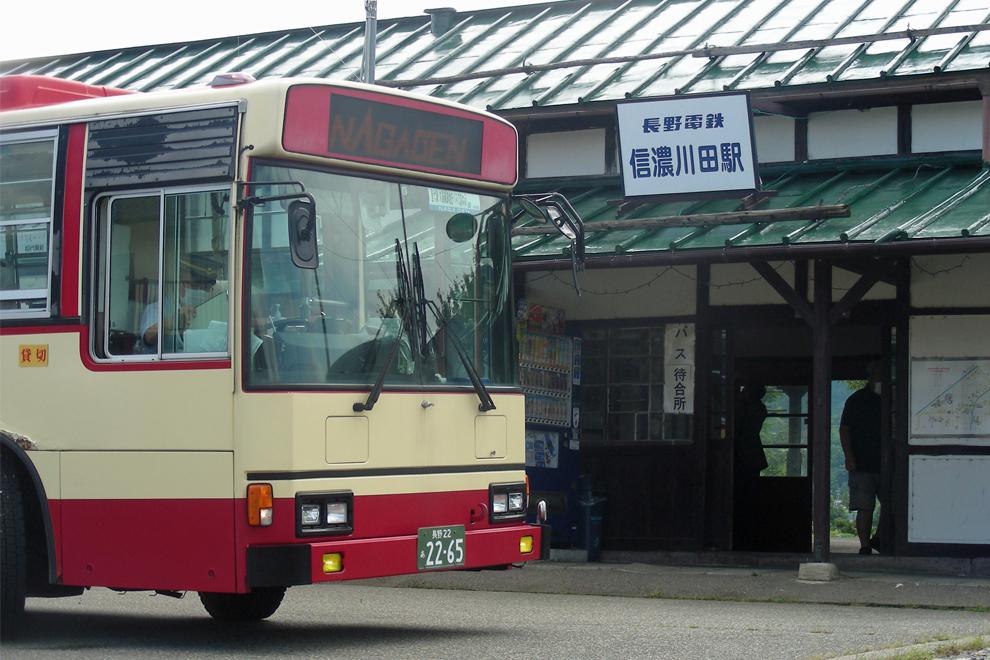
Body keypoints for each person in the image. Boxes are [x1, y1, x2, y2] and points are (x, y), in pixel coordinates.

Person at [840, 361, 883, 555]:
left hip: (886, 462)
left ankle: (880, 539)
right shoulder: (856, 400)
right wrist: (849, 456)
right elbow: (844, 429)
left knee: (892, 505)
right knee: (865, 507)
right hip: (862, 462)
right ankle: (865, 545)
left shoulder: (893, 397)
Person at [734, 382, 769, 551]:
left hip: (743, 455)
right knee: (749, 495)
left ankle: (744, 534)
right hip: (753, 455)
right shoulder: (760, 408)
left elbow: (739, 427)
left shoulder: (746, 409)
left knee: (743, 496)